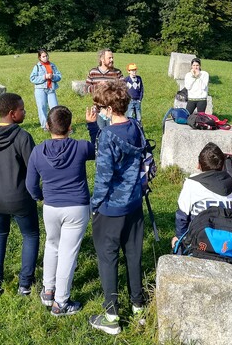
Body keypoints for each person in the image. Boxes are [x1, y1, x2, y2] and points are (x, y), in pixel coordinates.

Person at [25, 105, 98, 316]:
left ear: (47, 126)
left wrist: (41, 197)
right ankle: (61, 303)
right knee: (68, 253)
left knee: (52, 245)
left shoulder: (37, 151)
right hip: (77, 206)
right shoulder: (81, 147)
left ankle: (48, 291)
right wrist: (92, 125)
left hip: (51, 207)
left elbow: (31, 185)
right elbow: (100, 148)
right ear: (70, 128)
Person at [88, 81, 145, 335]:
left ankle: (111, 316)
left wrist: (94, 205)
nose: (98, 111)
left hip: (111, 207)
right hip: (134, 202)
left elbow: (103, 177)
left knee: (108, 258)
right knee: (133, 255)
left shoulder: (108, 136)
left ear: (110, 109)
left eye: (100, 107)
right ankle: (138, 306)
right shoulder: (136, 126)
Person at [0, 93, 38, 300]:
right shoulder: (23, 137)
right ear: (12, 113)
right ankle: (25, 284)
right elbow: (34, 168)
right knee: (30, 236)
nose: (25, 111)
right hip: (19, 198)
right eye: (22, 109)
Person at [171, 142, 232, 249]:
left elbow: (182, 217)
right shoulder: (229, 185)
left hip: (200, 242)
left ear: (199, 165)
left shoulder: (191, 184)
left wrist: (180, 239)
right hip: (226, 243)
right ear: (223, 165)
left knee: (175, 240)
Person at [85, 49, 123, 128]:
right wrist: (98, 87)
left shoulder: (117, 73)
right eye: (109, 58)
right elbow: (86, 88)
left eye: (112, 58)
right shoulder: (93, 72)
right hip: (98, 111)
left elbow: (123, 90)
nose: (112, 60)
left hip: (114, 112)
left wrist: (109, 87)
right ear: (102, 59)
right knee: (100, 134)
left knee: (113, 134)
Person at [29, 49, 62, 130]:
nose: (46, 58)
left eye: (46, 56)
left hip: (51, 89)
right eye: (43, 56)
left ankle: (56, 125)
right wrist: (44, 77)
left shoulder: (53, 65)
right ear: (39, 58)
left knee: (55, 108)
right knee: (42, 107)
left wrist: (53, 76)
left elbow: (59, 76)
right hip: (40, 90)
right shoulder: (37, 66)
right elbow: (32, 78)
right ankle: (45, 126)